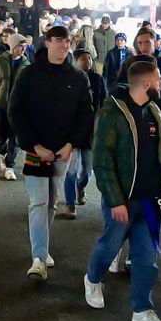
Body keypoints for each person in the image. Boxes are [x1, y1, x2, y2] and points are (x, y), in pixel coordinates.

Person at [83, 60, 161, 321]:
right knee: (110, 246)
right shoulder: (111, 113)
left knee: (147, 259)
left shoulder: (155, 111)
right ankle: (92, 279)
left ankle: (142, 311)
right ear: (146, 83)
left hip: (150, 202)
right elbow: (101, 162)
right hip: (122, 200)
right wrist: (115, 200)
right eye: (158, 79)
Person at [8, 25, 94, 281]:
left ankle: (43, 250)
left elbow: (86, 114)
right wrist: (34, 145)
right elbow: (16, 111)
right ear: (47, 43)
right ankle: (38, 258)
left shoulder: (78, 78)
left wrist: (71, 144)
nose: (63, 45)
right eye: (58, 40)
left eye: (67, 41)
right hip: (36, 150)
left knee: (52, 201)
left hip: (63, 152)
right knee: (39, 201)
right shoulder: (29, 75)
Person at [60, 48, 106, 217]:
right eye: (84, 59)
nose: (88, 61)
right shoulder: (69, 79)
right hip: (72, 132)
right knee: (71, 171)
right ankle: (70, 203)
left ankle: (80, 187)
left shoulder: (97, 79)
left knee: (88, 170)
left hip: (91, 132)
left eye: (90, 59)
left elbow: (104, 101)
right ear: (76, 60)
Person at [0, 33, 30, 180]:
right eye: (20, 46)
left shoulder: (27, 64)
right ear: (13, 46)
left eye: (25, 46)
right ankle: (2, 152)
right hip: (1, 103)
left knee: (15, 136)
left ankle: (10, 166)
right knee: (1, 135)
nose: (23, 49)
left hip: (18, 106)